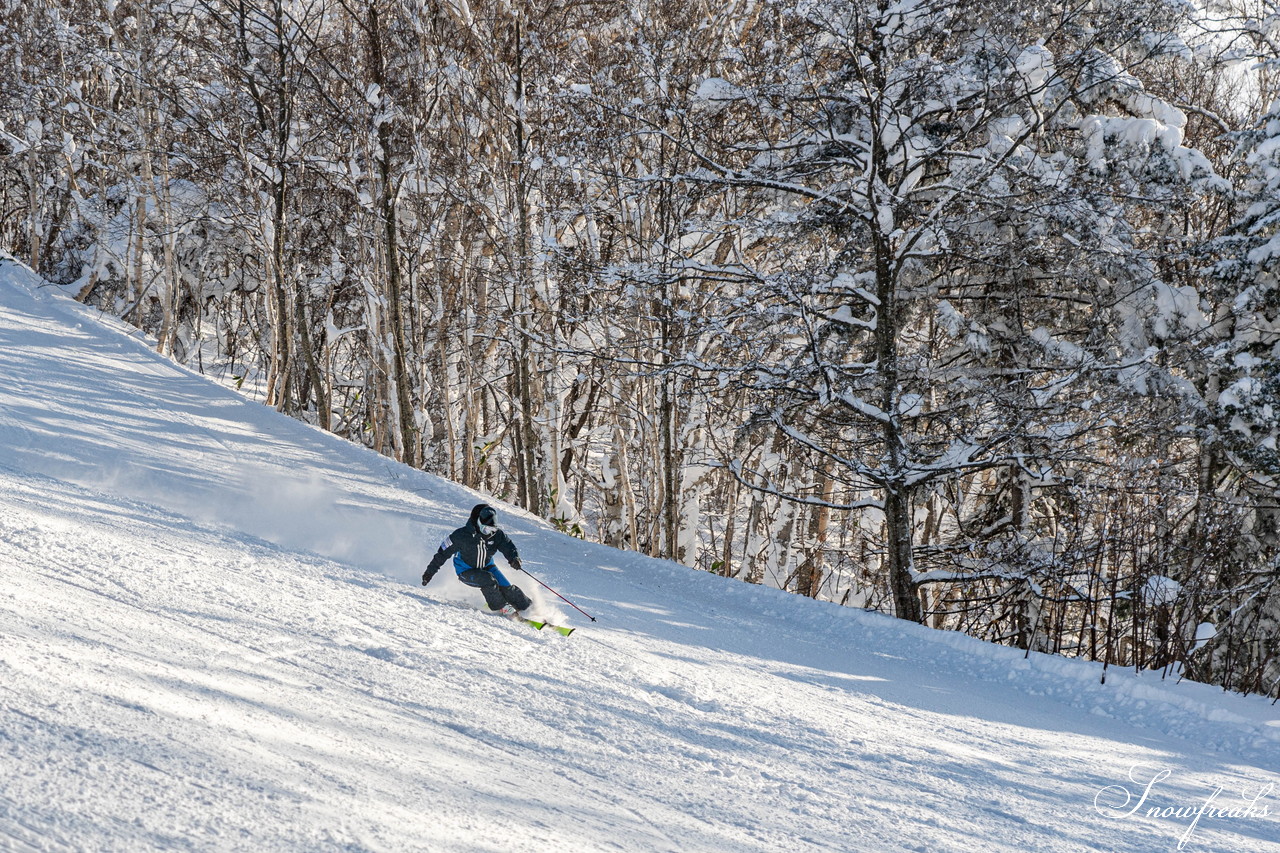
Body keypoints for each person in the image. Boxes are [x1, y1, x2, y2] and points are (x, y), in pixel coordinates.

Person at [421, 503, 532, 613]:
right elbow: (442, 554)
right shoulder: (461, 535)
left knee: (508, 589)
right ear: (478, 523)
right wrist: (429, 573)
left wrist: (514, 558)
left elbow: (508, 546)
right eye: (485, 529)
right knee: (488, 580)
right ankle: (502, 608)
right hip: (466, 571)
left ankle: (528, 608)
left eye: (491, 530)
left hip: (487, 566)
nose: (488, 533)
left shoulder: (497, 535)